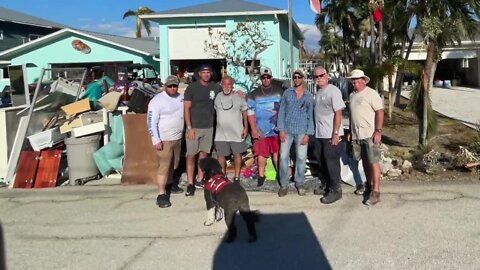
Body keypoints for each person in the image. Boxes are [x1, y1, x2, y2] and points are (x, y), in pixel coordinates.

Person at [346, 69, 384, 206]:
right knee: (364, 161)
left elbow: (380, 112)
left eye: (357, 80)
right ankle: (368, 184)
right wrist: (350, 131)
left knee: (374, 161)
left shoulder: (371, 93)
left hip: (370, 133)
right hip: (357, 134)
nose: (354, 83)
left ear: (363, 80)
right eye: (353, 81)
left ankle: (376, 191)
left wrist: (378, 131)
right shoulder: (352, 96)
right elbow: (352, 115)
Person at [184, 64, 222, 196]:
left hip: (209, 127)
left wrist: (238, 92)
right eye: (204, 72)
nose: (206, 74)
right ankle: (190, 183)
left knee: (204, 154)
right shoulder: (191, 88)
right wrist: (189, 127)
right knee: (191, 155)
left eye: (208, 72)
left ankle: (200, 179)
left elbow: (227, 93)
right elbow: (186, 108)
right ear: (199, 74)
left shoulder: (216, 87)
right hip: (194, 127)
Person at [147, 75, 184, 208]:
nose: (173, 88)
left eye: (175, 86)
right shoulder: (157, 101)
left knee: (174, 165)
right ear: (165, 86)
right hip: (164, 139)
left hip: (177, 138)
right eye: (170, 86)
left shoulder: (181, 98)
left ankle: (170, 185)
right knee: (164, 166)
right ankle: (161, 194)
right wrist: (155, 139)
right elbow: (151, 121)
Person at [277, 69, 314, 197]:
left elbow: (310, 115)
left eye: (299, 77)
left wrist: (308, 133)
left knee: (301, 157)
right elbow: (281, 112)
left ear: (303, 79)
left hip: (302, 130)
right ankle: (284, 184)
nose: (297, 79)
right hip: (287, 130)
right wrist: (280, 129)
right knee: (283, 157)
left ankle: (299, 183)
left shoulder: (308, 96)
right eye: (295, 77)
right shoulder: (287, 93)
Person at [312, 66, 346, 204]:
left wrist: (336, 133)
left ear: (327, 76)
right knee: (321, 161)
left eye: (321, 75)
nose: (319, 78)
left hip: (331, 134)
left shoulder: (333, 91)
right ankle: (327, 184)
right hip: (319, 134)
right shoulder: (318, 92)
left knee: (332, 162)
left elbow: (338, 113)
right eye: (316, 76)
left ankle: (336, 190)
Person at [247, 67, 284, 187]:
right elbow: (250, 112)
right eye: (264, 77)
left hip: (277, 129)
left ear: (271, 78)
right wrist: (253, 129)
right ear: (261, 79)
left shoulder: (279, 91)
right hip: (261, 130)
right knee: (262, 154)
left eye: (268, 77)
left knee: (277, 153)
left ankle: (280, 175)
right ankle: (261, 176)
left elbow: (285, 109)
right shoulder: (254, 94)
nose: (266, 79)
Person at [214, 76, 248, 181]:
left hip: (236, 131)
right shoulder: (218, 96)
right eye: (224, 84)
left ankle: (237, 176)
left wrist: (246, 127)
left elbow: (245, 112)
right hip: (220, 133)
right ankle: (222, 175)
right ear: (221, 85)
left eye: (229, 84)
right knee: (221, 155)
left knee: (237, 154)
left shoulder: (239, 96)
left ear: (232, 85)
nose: (226, 86)